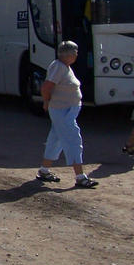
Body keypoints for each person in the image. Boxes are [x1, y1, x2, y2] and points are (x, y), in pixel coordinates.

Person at [35, 40, 98, 188]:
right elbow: (46, 87)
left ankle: (44, 170)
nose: (77, 55)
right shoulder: (59, 67)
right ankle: (80, 177)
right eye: (75, 52)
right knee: (73, 140)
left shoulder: (63, 67)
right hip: (62, 111)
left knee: (55, 140)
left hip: (64, 110)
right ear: (69, 54)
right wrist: (46, 102)